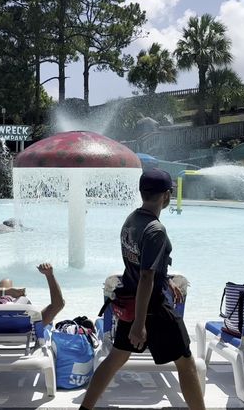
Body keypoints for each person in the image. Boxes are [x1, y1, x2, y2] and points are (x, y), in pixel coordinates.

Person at [80, 169, 205, 410]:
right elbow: (146, 275)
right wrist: (139, 322)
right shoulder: (155, 229)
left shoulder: (132, 220)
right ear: (166, 196)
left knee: (115, 358)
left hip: (130, 298)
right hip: (152, 307)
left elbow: (139, 263)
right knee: (186, 362)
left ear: (142, 192)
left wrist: (164, 277)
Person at [0, 263, 64, 326]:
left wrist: (7, 291)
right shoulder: (32, 324)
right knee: (7, 282)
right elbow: (59, 304)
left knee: (6, 281)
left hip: (0, 317)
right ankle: (11, 299)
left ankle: (8, 298)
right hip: (16, 319)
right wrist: (49, 275)